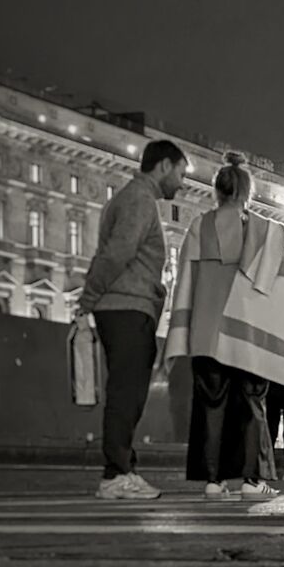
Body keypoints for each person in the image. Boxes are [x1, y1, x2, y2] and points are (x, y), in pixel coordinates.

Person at [163, 151, 284, 503]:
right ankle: (251, 480)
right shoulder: (268, 232)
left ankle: (213, 482)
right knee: (251, 407)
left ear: (217, 190)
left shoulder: (200, 225)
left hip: (206, 333)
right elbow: (282, 293)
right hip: (249, 336)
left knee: (209, 407)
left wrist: (179, 334)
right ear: (247, 191)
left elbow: (185, 282)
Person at [74, 136, 188, 503]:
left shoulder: (131, 198)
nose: (181, 183)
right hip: (125, 308)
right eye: (181, 173)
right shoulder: (139, 199)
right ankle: (116, 474)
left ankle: (124, 470)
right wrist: (88, 299)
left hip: (127, 306)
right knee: (126, 394)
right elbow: (116, 253)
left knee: (129, 395)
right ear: (164, 166)